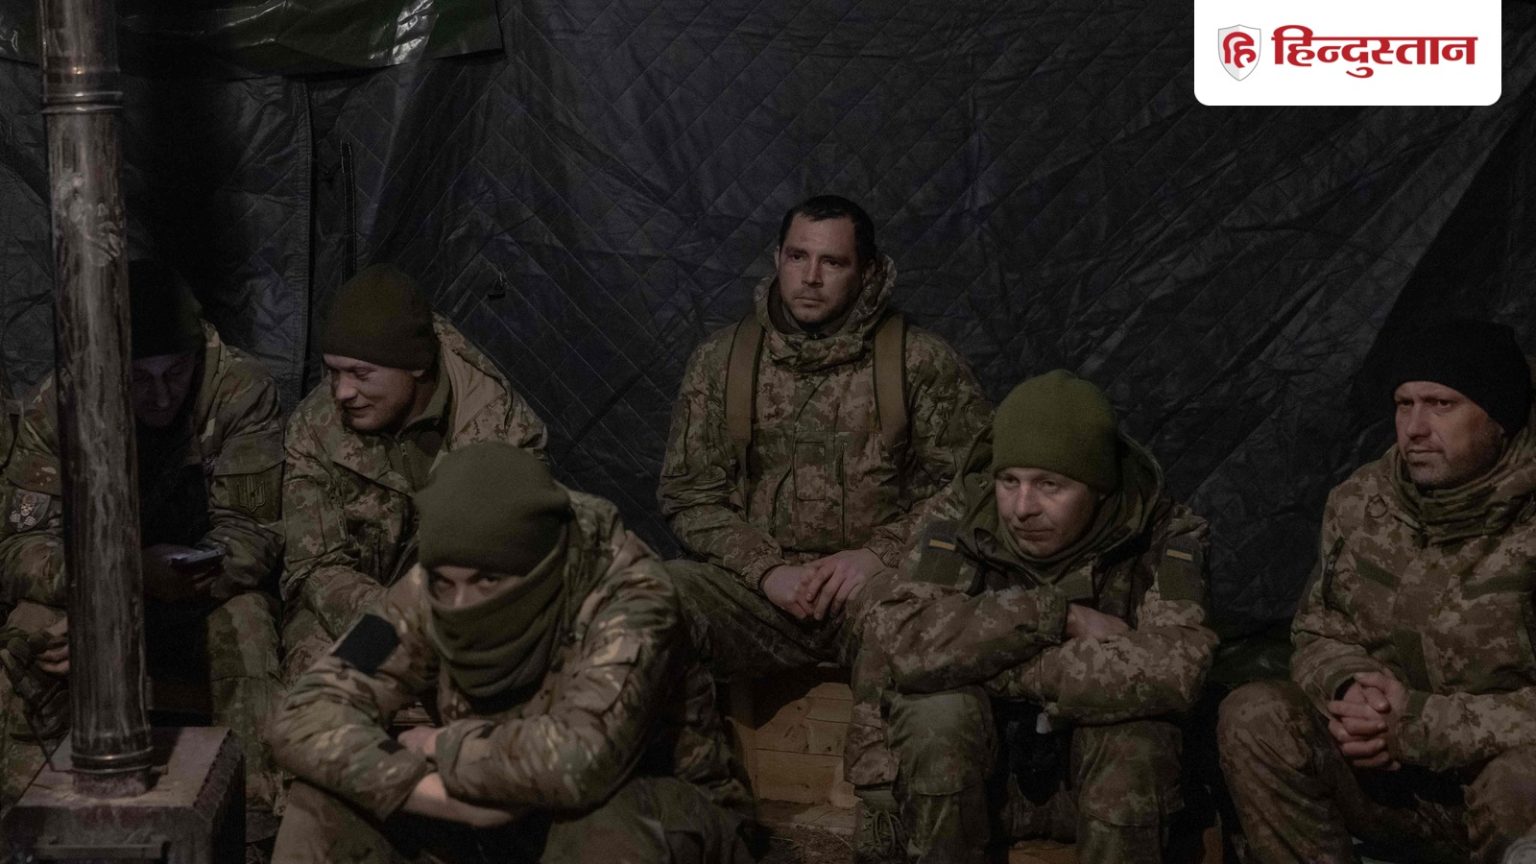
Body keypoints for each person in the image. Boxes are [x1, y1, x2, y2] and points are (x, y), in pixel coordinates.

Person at [658, 195, 990, 852]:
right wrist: (766, 570)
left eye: (832, 262)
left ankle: (883, 827)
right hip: (760, 593)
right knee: (652, 597)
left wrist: (879, 554)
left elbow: (973, 487)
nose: (810, 277)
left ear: (867, 272)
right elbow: (689, 493)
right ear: (777, 259)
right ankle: (703, 806)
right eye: (797, 257)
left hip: (872, 588)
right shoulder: (722, 361)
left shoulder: (919, 361)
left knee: (913, 628)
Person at [267, 443, 758, 863]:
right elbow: (305, 711)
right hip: (484, 804)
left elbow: (578, 761)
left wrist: (441, 746)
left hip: (654, 812)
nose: (462, 604)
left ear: (539, 567)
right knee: (323, 802)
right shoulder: (428, 589)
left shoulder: (630, 596)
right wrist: (419, 787)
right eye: (446, 583)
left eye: (488, 581)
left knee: (601, 822)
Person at [861, 369, 1218, 863]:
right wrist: (1055, 615)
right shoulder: (959, 517)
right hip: (982, 783)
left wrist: (993, 664)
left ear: (1099, 488)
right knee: (936, 714)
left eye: (1050, 485)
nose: (1022, 507)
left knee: (1135, 735)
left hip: (1100, 788)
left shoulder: (1164, 533)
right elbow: (905, 641)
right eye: (1009, 481)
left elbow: (1179, 668)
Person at [1218, 319, 1536, 864]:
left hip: (1500, 793)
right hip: (1387, 781)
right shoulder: (1363, 501)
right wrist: (1348, 689)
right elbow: (1319, 629)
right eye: (1403, 404)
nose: (1414, 428)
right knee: (1255, 716)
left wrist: (1415, 726)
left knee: (1522, 779)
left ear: (1498, 418)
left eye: (1441, 404)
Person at [0, 260, 286, 833]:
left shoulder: (238, 389)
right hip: (95, 600)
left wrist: (162, 582)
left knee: (248, 626)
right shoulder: (63, 401)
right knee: (26, 634)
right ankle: (26, 826)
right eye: (138, 378)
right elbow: (19, 546)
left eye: (176, 373)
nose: (160, 395)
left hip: (198, 595)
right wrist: (113, 591)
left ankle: (252, 830)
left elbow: (253, 535)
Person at [281, 263, 547, 681]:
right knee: (326, 682)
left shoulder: (503, 433)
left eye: (361, 373)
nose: (342, 392)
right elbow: (313, 567)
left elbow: (517, 563)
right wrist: (392, 625)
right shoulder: (315, 427)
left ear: (416, 366)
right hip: (353, 613)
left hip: (465, 616)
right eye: (334, 371)